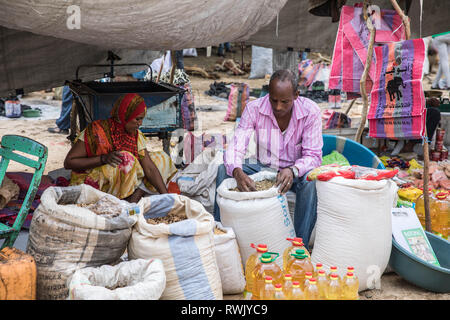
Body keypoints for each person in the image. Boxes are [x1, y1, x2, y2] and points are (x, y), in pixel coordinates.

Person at [213, 69, 323, 248]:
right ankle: (219, 234)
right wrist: (237, 171)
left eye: (284, 102)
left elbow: (313, 156)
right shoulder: (254, 108)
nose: (278, 107)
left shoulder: (310, 112)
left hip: (294, 172)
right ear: (268, 94)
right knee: (222, 171)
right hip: (263, 167)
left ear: (296, 95)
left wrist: (293, 170)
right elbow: (236, 146)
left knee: (310, 180)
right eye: (274, 100)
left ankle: (299, 245)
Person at [64, 93, 176, 203]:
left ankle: (137, 192)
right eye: (137, 119)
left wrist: (167, 198)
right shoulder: (96, 131)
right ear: (125, 115)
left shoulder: (135, 135)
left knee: (160, 158)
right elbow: (69, 162)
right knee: (125, 159)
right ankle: (123, 201)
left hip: (120, 179)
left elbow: (150, 168)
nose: (140, 123)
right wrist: (103, 159)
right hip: (92, 182)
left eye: (142, 119)